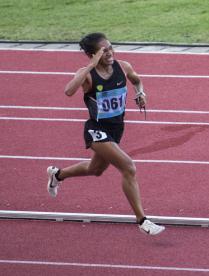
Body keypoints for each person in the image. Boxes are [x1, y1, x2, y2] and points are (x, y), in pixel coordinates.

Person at [46, 32, 164, 235]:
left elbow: (136, 81)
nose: (110, 53)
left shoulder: (123, 67)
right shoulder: (88, 74)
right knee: (129, 167)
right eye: (104, 50)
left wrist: (140, 93)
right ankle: (142, 221)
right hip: (96, 130)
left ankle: (57, 175)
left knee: (95, 169)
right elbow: (69, 90)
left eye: (110, 47)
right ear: (93, 54)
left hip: (116, 129)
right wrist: (90, 66)